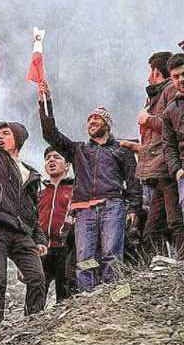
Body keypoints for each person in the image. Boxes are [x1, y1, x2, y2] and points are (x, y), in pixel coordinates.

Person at [38, 80, 142, 291]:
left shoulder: (122, 149)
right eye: (89, 119)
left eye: (97, 118)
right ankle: (89, 299)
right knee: (85, 257)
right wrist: (44, 101)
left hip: (113, 204)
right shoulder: (78, 150)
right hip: (84, 208)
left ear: (107, 124)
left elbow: (133, 180)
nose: (92, 121)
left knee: (112, 254)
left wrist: (134, 208)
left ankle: (114, 297)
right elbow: (50, 133)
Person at [0, 84, 47, 323]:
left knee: (37, 278)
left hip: (22, 232)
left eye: (5, 133)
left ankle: (33, 322)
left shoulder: (31, 174)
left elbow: (33, 211)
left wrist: (40, 239)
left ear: (18, 138)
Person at [121, 52, 182, 257]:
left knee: (174, 221)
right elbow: (160, 139)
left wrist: (147, 119)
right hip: (160, 171)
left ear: (157, 72)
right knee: (154, 229)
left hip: (168, 169)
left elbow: (172, 126)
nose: (148, 78)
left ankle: (180, 263)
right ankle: (162, 265)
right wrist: (138, 148)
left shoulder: (170, 90)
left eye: (151, 72)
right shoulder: (160, 95)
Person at [38, 147, 76, 302]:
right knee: (36, 292)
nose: (51, 160)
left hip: (66, 248)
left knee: (65, 294)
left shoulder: (75, 189)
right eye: (47, 158)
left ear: (67, 165)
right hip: (42, 249)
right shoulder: (39, 192)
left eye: (56, 157)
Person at [163, 53, 184, 229]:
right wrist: (177, 170)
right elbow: (168, 146)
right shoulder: (170, 110)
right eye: (176, 77)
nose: (181, 80)